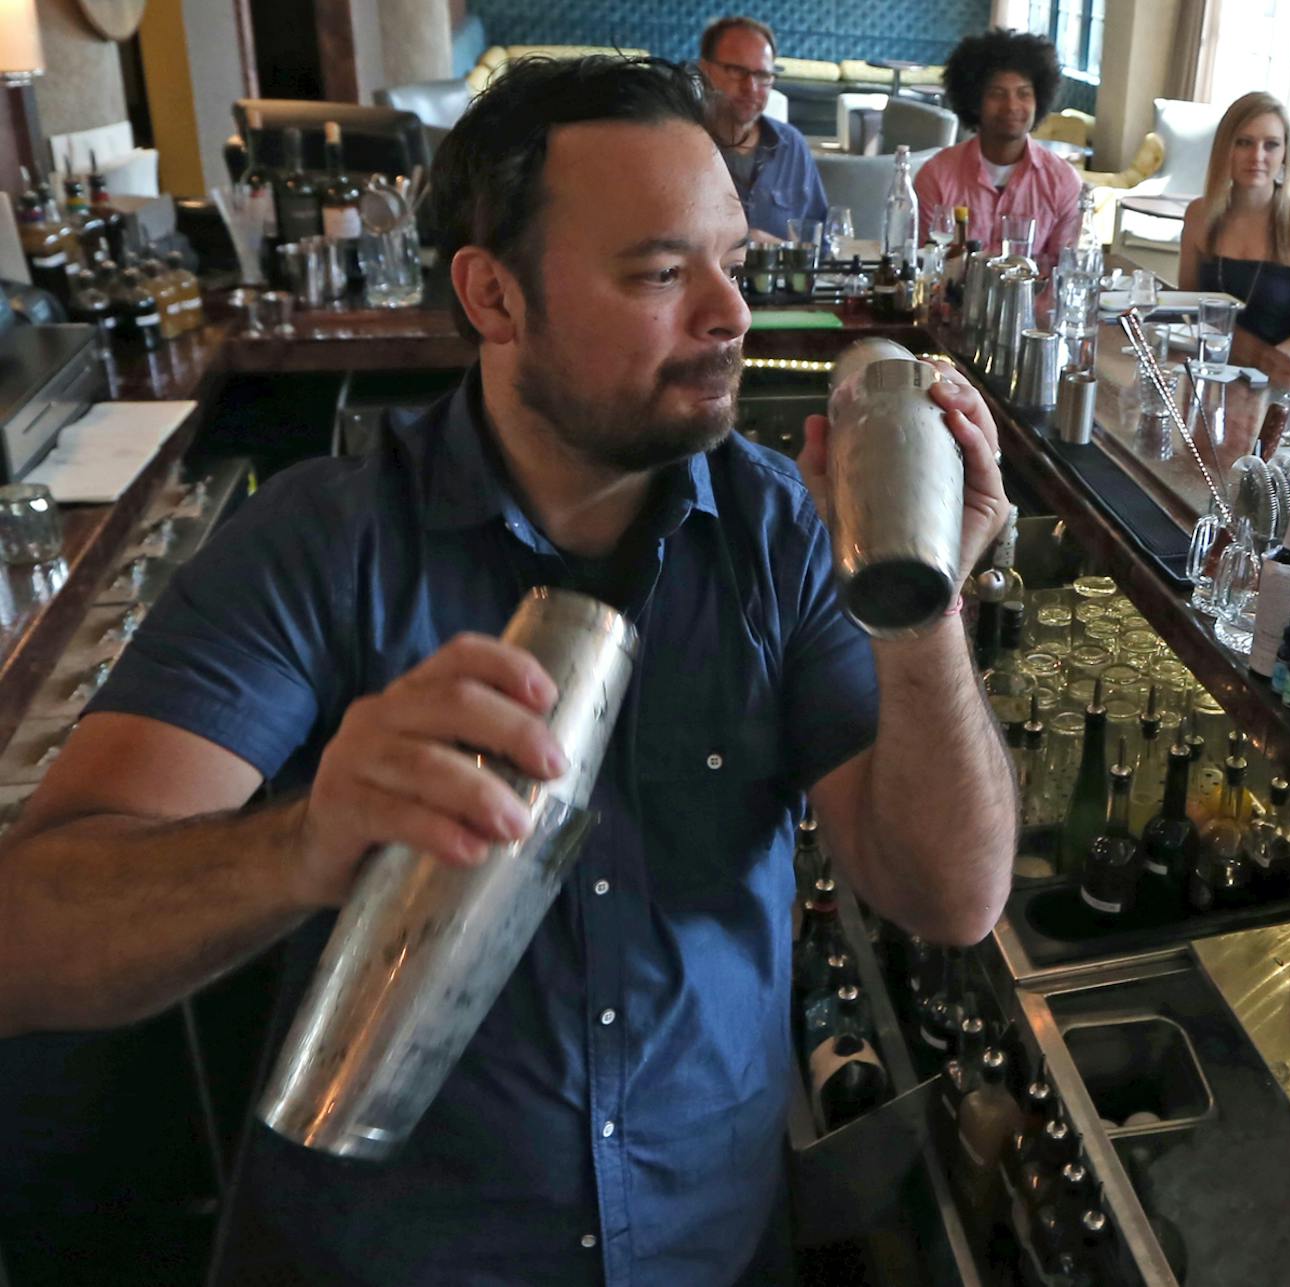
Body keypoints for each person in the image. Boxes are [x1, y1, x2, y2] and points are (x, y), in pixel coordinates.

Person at [0, 56, 1017, 1285]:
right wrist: (300, 845)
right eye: (660, 273)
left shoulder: (783, 535)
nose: (731, 316)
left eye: (733, 263)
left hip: (704, 1250)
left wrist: (923, 610)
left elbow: (948, 899)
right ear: (494, 296)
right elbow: (28, 938)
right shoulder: (325, 545)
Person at [1176, 91, 1290, 355]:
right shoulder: (1199, 214)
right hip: (1205, 363)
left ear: (1285, 153)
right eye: (1244, 143)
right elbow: (1186, 304)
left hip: (1281, 369)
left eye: (1271, 145)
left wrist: (1268, 367)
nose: (1257, 156)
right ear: (1225, 149)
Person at [914, 28, 1082, 275]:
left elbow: (1063, 272)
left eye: (1023, 94)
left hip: (1031, 300)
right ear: (974, 101)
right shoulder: (936, 175)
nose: (1011, 106)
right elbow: (923, 265)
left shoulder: (1062, 182)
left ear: (1039, 101)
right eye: (997, 94)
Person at [698, 16, 829, 242]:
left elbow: (820, 241)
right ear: (705, 71)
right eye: (736, 71)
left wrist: (777, 250)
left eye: (762, 75)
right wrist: (748, 242)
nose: (750, 87)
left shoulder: (791, 146)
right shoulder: (681, 144)